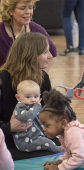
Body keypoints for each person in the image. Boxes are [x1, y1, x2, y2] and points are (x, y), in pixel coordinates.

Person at [0, 32, 60, 160]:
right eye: (45, 52)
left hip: (39, 136)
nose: (50, 56)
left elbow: (52, 110)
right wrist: (9, 127)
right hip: (8, 140)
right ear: (31, 56)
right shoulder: (2, 80)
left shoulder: (43, 77)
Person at [0, 0, 57, 72]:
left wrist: (40, 77)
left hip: (29, 81)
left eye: (30, 7)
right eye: (22, 8)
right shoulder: (1, 32)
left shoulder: (37, 30)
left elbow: (53, 55)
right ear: (10, 10)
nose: (28, 12)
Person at [13, 80, 61, 153]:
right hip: (27, 142)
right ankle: (58, 149)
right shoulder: (20, 107)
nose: (33, 100)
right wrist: (37, 106)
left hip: (36, 136)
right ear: (18, 98)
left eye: (36, 96)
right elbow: (28, 117)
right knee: (46, 142)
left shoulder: (33, 106)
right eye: (28, 97)